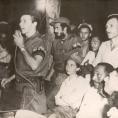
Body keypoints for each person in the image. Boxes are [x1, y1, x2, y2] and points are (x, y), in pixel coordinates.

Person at [1, 12, 49, 114]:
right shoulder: (25, 40)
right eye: (20, 21)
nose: (20, 24)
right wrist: (10, 78)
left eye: (24, 21)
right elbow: (24, 67)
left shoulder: (39, 41)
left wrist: (22, 47)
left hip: (32, 91)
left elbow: (34, 65)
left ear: (34, 23)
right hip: (21, 89)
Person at [47, 17, 81, 109]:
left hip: (67, 76)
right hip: (55, 74)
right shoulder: (55, 42)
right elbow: (54, 60)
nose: (54, 30)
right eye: (54, 28)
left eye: (57, 28)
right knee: (49, 101)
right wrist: (49, 75)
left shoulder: (74, 40)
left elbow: (75, 61)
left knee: (51, 100)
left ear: (65, 28)